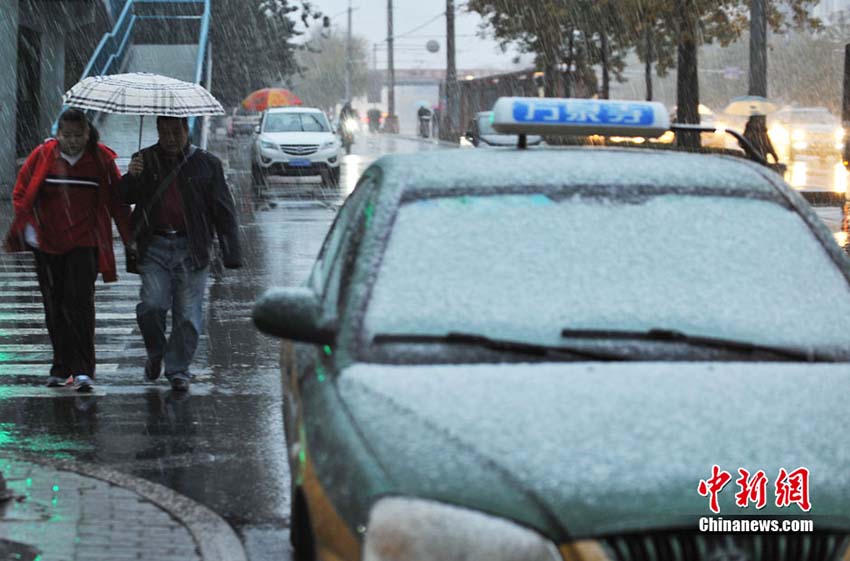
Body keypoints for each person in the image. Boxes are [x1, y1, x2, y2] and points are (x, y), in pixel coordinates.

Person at [3, 108, 131, 392]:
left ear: (88, 133)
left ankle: (84, 370)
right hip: (47, 244)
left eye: (78, 135)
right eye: (67, 135)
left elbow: (117, 201)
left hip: (85, 242)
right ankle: (61, 366)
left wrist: (131, 237)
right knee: (54, 305)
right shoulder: (43, 156)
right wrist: (30, 222)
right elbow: (21, 191)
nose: (72, 141)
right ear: (58, 134)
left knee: (80, 303)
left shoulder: (101, 160)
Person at [120, 116, 242, 392]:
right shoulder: (145, 159)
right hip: (155, 247)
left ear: (187, 130)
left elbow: (223, 210)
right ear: (157, 132)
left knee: (187, 315)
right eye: (165, 133)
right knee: (152, 306)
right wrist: (132, 177)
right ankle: (155, 352)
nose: (171, 139)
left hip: (192, 248)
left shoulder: (207, 164)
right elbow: (123, 197)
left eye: (177, 132)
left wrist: (230, 252)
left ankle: (177, 369)